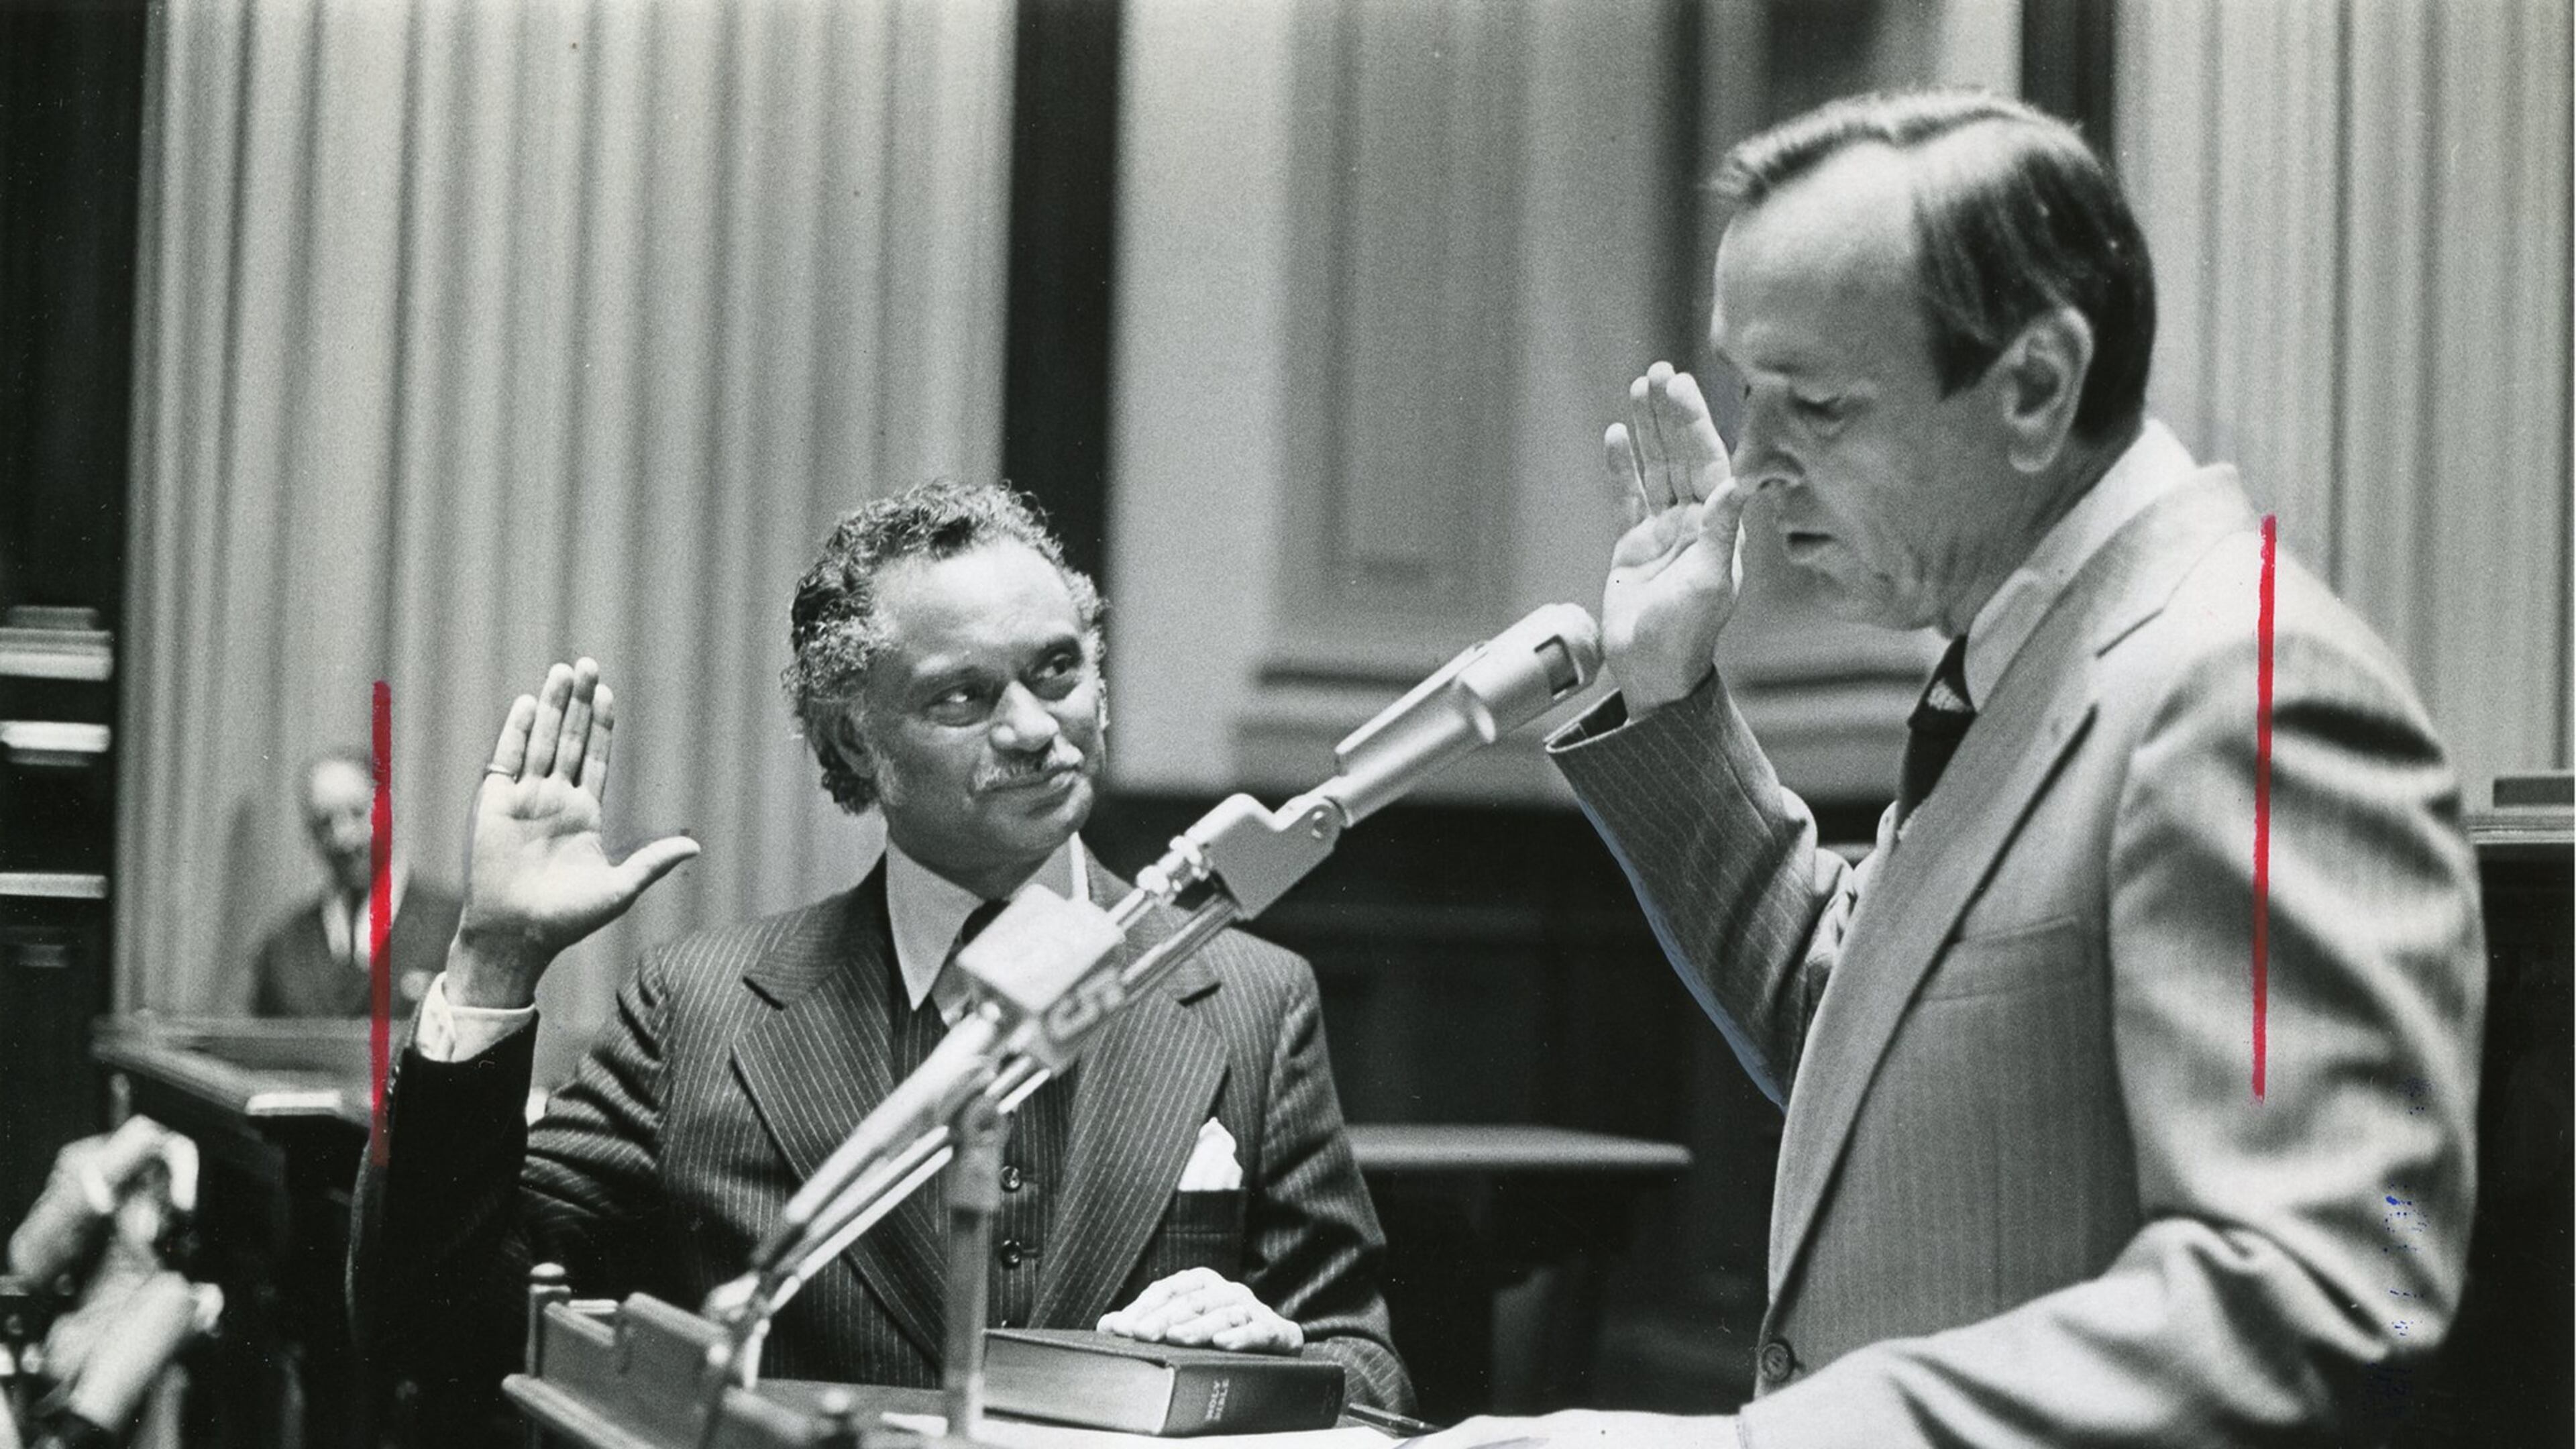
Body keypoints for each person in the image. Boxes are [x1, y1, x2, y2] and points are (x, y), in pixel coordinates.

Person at [1421, 91, 2484, 1446]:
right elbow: (1859, 1018)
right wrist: (1669, 692)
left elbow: (2318, 1294)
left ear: (2035, 387)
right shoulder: (2038, 644)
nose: (1747, 474)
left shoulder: (2251, 685)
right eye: (1751, 396)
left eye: (1818, 406)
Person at [350, 482, 1411, 1425]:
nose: (1040, 729)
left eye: (1060, 670)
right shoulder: (700, 1008)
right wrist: (493, 959)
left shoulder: (1252, 1000)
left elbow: (1364, 1371)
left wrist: (1275, 1355)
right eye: (964, 695)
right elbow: (432, 1323)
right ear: (857, 741)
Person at [248, 749, 462, 1017]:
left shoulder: (454, 928)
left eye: (359, 814)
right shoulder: (284, 946)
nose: (343, 838)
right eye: (325, 822)